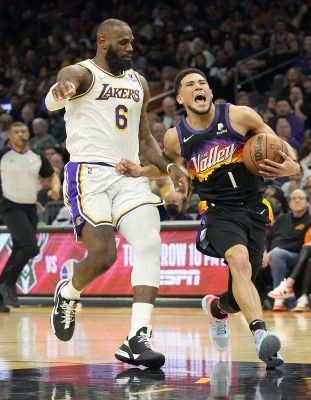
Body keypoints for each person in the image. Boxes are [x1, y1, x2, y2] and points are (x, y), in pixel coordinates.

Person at [120, 68, 300, 368]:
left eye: (202, 83)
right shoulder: (175, 137)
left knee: (239, 292)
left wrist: (293, 165)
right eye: (190, 84)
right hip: (218, 211)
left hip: (255, 207)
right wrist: (140, 171)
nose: (198, 87)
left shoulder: (240, 116)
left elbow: (279, 144)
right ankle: (262, 338)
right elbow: (167, 166)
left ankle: (217, 308)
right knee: (239, 260)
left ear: (211, 92)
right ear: (181, 98)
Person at [44, 19, 191, 369]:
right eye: (123, 42)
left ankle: (138, 336)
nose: (130, 48)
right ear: (103, 41)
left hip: (128, 175)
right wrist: (63, 86)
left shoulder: (139, 82)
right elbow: (67, 78)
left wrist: (170, 167)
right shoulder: (84, 73)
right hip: (88, 174)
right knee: (104, 256)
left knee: (149, 242)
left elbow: (145, 138)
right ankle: (69, 291)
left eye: (132, 42)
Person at [0, 122, 61, 312]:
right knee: (30, 247)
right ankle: (8, 285)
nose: (21, 134)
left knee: (20, 250)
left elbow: (52, 175)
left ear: (28, 134)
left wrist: (55, 188)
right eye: (17, 132)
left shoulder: (36, 156)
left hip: (30, 207)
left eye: (24, 131)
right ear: (10, 136)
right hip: (9, 205)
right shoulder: (2, 155)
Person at [263, 189, 311, 311]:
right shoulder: (282, 219)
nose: (297, 200)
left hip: (296, 257)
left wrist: (272, 252)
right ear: (289, 203)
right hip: (271, 255)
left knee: (277, 254)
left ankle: (280, 299)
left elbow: (300, 244)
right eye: (294, 198)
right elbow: (267, 238)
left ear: (308, 202)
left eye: (300, 198)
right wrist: (264, 252)